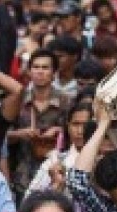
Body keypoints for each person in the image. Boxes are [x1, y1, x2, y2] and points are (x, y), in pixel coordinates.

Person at [7, 49, 71, 198]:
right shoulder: (18, 100)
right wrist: (21, 134)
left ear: (54, 73)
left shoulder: (66, 101)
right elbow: (1, 136)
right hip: (22, 175)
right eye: (36, 67)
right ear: (29, 71)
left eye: (45, 67)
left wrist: (59, 132)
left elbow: (78, 133)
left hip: (56, 175)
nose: (40, 72)